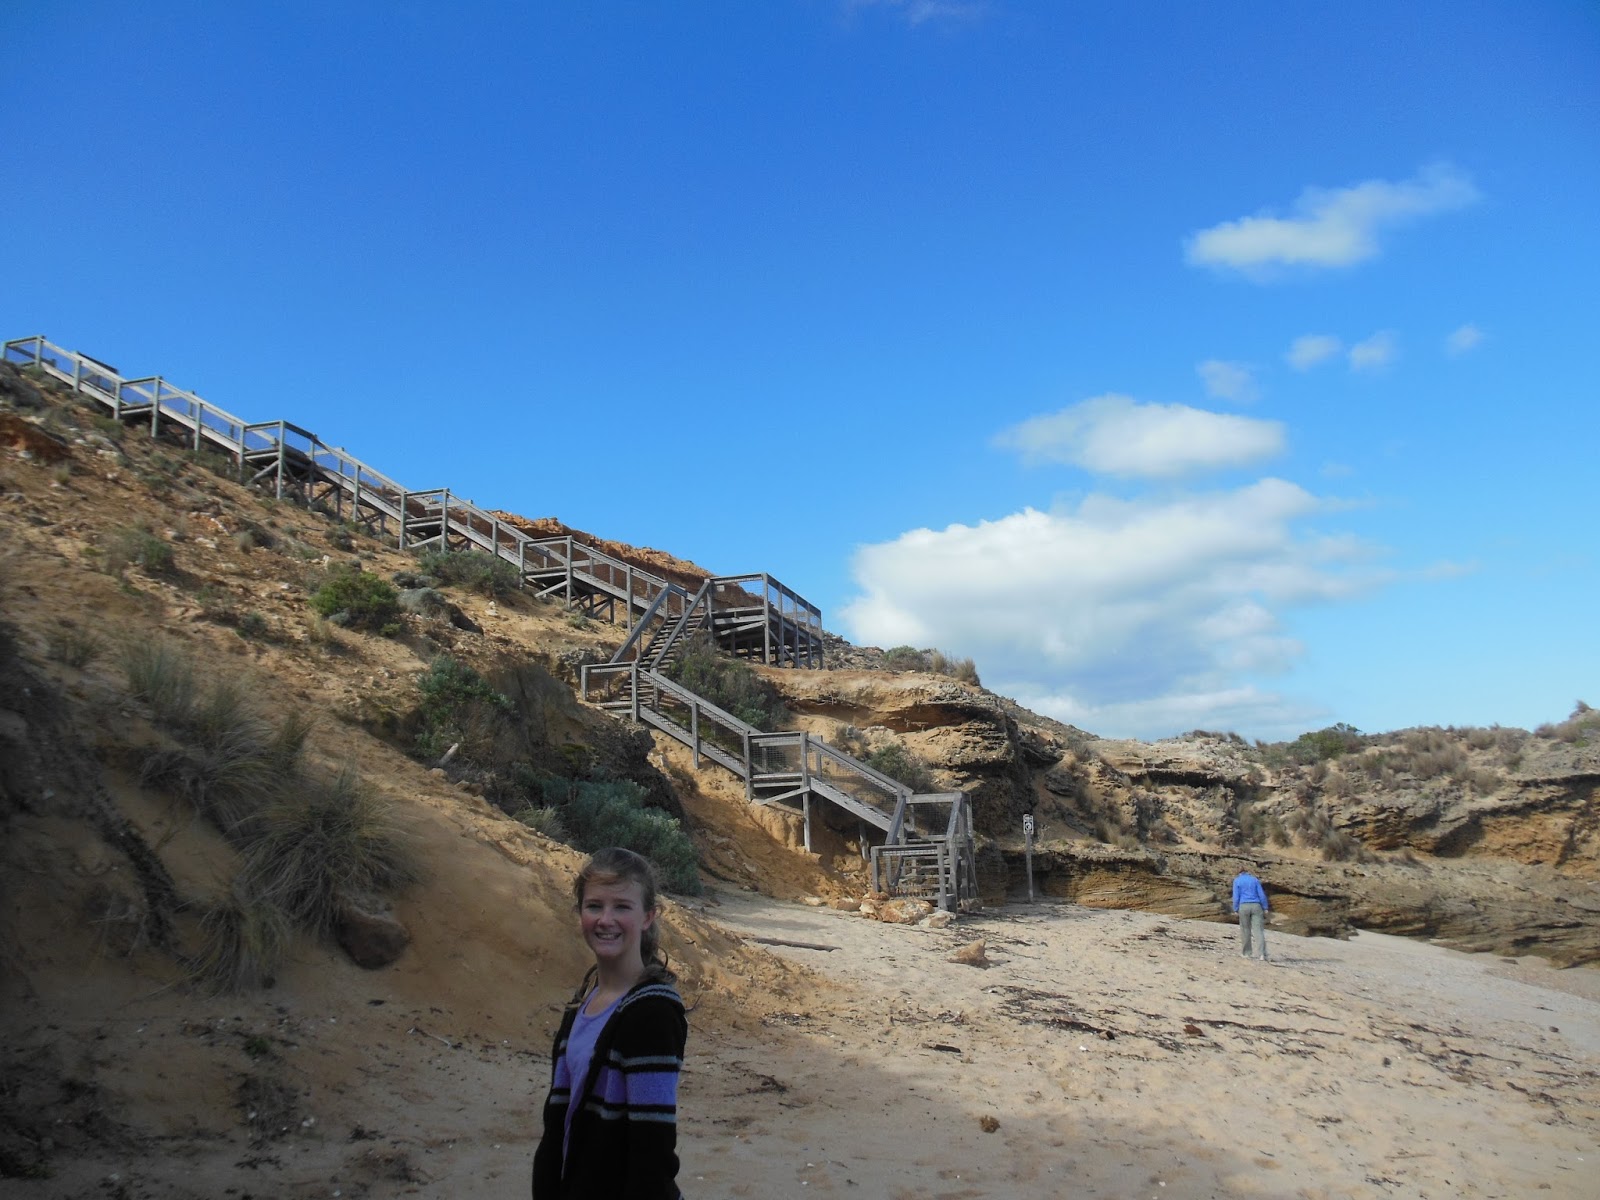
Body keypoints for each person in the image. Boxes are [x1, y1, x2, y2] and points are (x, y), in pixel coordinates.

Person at [532, 848, 688, 1199]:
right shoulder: (582, 1002)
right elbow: (558, 1121)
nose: (606, 920)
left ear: (648, 917)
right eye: (594, 906)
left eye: (621, 907)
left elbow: (652, 1146)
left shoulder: (651, 1013)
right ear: (580, 913)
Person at [1231, 867, 1270, 961]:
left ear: (1239, 873)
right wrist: (1265, 907)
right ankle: (1262, 954)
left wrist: (1235, 909)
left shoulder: (1237, 881)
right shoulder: (1254, 880)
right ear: (1247, 872)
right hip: (1256, 905)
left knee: (1245, 930)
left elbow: (1236, 896)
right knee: (1258, 930)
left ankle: (1247, 953)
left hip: (1243, 906)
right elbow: (1261, 894)